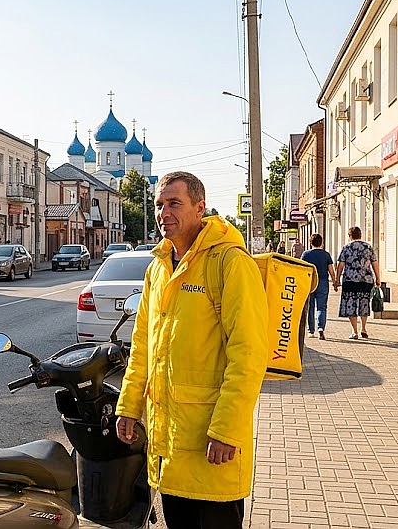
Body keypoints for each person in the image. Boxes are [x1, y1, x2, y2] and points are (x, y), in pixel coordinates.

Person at [115, 171, 268, 529]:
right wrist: (129, 406)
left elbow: (248, 353)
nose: (163, 213)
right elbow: (142, 347)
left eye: (174, 203)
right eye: (158, 205)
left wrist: (227, 430)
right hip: (169, 443)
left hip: (211, 442)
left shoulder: (229, 263)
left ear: (200, 208)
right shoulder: (157, 268)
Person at [334, 226, 380, 339]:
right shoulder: (368, 247)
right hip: (366, 281)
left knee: (351, 305)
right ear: (360, 235)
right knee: (364, 304)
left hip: (350, 281)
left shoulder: (346, 248)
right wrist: (378, 278)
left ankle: (355, 332)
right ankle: (363, 328)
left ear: (350, 236)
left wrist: (337, 279)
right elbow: (374, 264)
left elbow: (340, 266)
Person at [301, 234, 336, 340]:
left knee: (310, 307)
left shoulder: (306, 254)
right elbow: (331, 270)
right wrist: (334, 282)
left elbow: (301, 269)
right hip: (323, 282)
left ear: (310, 243)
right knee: (321, 307)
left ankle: (311, 331)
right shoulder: (326, 255)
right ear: (322, 242)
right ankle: (321, 328)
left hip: (309, 283)